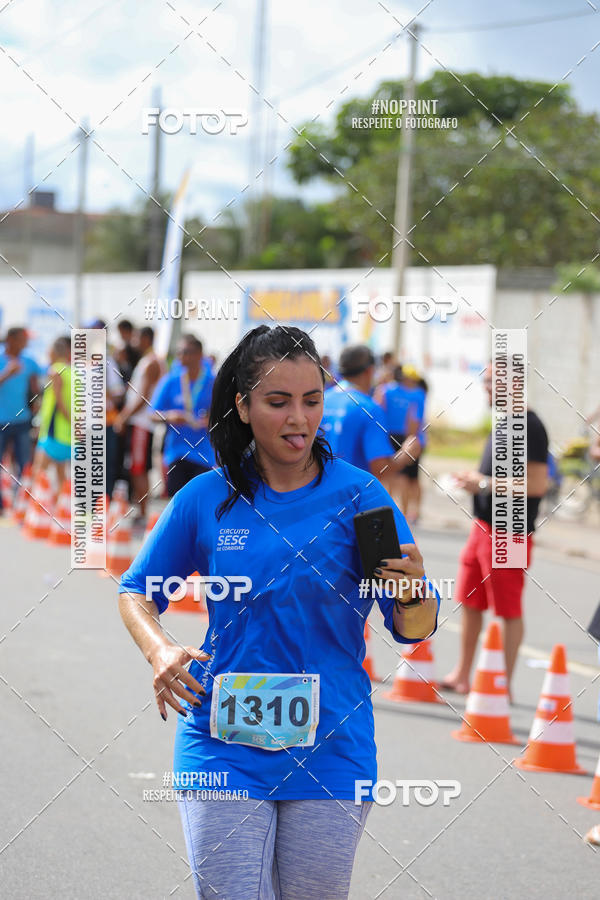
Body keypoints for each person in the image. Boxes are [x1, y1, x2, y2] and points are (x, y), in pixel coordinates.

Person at [118, 324, 439, 900]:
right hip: (221, 742)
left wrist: (414, 592)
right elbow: (136, 589)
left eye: (311, 401)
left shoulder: (361, 497)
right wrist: (158, 649)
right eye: (278, 402)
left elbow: (411, 629)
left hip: (332, 743)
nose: (298, 418)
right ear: (243, 407)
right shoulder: (206, 498)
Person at [442, 361, 548, 698]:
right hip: (483, 526)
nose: (485, 387)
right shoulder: (504, 422)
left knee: (508, 608)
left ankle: (502, 686)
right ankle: (463, 674)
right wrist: (474, 481)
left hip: (511, 531)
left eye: (491, 381)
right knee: (470, 600)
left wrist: (484, 483)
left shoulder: (530, 426)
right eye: (485, 380)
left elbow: (537, 485)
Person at [321, 345, 420, 481]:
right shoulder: (369, 408)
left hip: (315, 489)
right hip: (351, 491)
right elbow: (380, 468)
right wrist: (406, 454)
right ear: (370, 371)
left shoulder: (321, 399)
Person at [150, 334, 216, 497]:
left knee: (199, 501)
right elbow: (152, 414)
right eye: (179, 352)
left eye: (185, 352)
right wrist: (169, 416)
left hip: (203, 454)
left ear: (199, 354)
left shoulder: (213, 382)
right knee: (177, 501)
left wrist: (212, 420)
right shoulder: (171, 381)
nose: (180, 356)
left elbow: (227, 415)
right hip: (176, 452)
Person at [113, 326, 163, 525]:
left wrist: (123, 417)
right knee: (137, 467)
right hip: (139, 423)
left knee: (138, 468)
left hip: (142, 423)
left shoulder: (151, 362)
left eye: (137, 337)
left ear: (146, 339)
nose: (133, 342)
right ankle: (142, 512)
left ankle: (143, 513)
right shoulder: (148, 360)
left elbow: (143, 397)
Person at [0, 327, 41, 511]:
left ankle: (21, 502)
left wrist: (37, 402)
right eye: (22, 339)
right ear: (10, 339)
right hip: (1, 420)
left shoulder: (30, 362)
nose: (25, 343)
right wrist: (8, 373)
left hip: (23, 420)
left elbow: (36, 388)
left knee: (24, 464)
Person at [375, 364, 421, 517]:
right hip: (402, 436)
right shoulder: (414, 394)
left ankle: (392, 511)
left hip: (390, 435)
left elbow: (376, 411)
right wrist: (411, 439)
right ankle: (401, 513)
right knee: (401, 477)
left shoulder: (386, 390)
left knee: (393, 476)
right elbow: (413, 419)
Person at [32, 335, 72, 487]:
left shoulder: (55, 371)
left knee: (38, 473)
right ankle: (63, 502)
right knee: (61, 476)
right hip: (66, 434)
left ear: (54, 352)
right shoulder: (71, 372)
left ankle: (33, 502)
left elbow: (59, 403)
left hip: (53, 433)